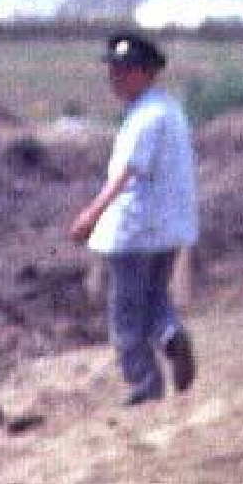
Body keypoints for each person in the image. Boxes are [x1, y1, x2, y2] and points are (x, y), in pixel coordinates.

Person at [67, 32, 200, 403]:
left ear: (145, 73)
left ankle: (144, 381)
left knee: (126, 312)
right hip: (169, 227)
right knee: (154, 296)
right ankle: (172, 335)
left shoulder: (145, 118)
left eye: (123, 72)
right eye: (113, 71)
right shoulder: (170, 110)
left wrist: (91, 215)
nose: (115, 78)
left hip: (135, 229)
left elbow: (124, 174)